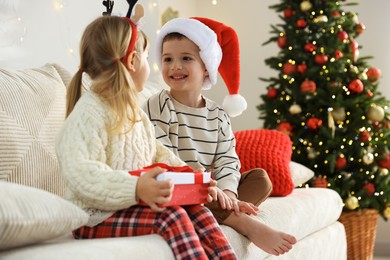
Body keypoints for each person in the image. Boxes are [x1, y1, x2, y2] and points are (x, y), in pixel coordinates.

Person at [55, 15, 238, 260]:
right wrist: (137, 187)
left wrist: (195, 179)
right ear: (132, 61)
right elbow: (82, 174)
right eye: (146, 56)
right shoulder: (89, 114)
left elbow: (157, 152)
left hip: (129, 207)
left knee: (197, 211)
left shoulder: (133, 112)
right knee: (171, 217)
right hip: (94, 218)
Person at [143, 17, 297, 256]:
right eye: (167, 59)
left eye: (186, 58)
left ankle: (221, 211)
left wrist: (228, 193)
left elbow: (227, 160)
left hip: (210, 191)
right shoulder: (157, 105)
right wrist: (203, 187)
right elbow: (163, 158)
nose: (175, 66)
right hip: (177, 185)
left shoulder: (218, 115)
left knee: (261, 179)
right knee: (182, 189)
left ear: (205, 65)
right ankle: (242, 222)